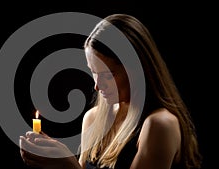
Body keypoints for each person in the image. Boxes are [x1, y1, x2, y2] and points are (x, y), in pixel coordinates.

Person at [19, 13, 202, 169]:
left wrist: (69, 165)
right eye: (93, 72)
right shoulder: (93, 119)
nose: (97, 86)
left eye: (108, 75)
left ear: (139, 68)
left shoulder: (159, 124)